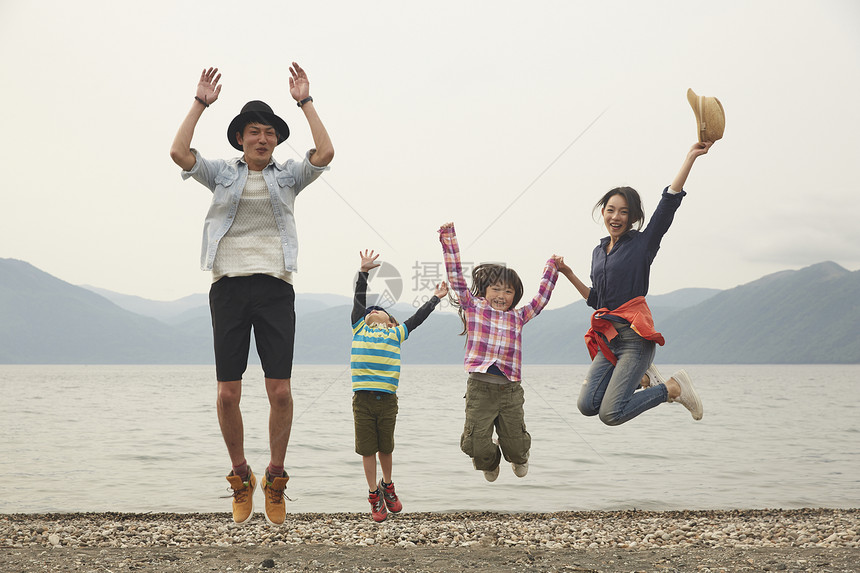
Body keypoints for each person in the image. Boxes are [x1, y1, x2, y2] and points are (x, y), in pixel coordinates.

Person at [169, 64, 334, 525]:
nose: (262, 139)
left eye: (269, 133)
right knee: (227, 394)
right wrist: (200, 103)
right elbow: (179, 152)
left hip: (276, 288)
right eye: (253, 132)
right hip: (228, 288)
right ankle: (241, 478)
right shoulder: (221, 173)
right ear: (240, 138)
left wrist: (305, 101)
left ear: (277, 141)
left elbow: (326, 151)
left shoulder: (288, 177)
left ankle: (275, 479)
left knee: (279, 391)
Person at [556, 141, 712, 427]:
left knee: (610, 414)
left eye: (624, 212)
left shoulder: (643, 244)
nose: (616, 217)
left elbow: (668, 204)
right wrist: (567, 272)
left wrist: (690, 157)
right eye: (611, 210)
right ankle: (644, 376)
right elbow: (598, 300)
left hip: (636, 339)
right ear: (602, 211)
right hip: (611, 339)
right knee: (587, 405)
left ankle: (673, 388)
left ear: (634, 218)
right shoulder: (598, 252)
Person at [439, 222, 561, 482]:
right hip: (480, 390)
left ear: (514, 296)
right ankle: (490, 460)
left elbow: (541, 298)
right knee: (473, 445)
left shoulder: (518, 316)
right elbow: (457, 279)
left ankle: (518, 456)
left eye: (508, 291)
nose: (501, 295)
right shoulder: (473, 308)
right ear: (484, 291)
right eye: (496, 289)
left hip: (509, 391)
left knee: (516, 446)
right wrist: (448, 238)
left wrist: (552, 267)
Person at [350, 250, 447, 522]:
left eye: (380, 310)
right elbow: (360, 301)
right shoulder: (359, 328)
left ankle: (388, 486)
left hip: (387, 400)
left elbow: (417, 318)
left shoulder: (396, 333)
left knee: (386, 448)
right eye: (371, 312)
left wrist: (435, 298)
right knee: (367, 450)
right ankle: (373, 495)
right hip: (363, 400)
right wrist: (363, 273)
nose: (373, 311)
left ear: (392, 322)